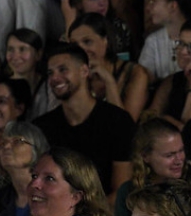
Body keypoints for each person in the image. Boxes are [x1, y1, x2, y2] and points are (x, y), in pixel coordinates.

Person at [33, 44, 135, 201]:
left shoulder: (117, 121)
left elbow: (121, 192)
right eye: (50, 73)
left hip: (104, 212)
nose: (54, 78)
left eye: (63, 70)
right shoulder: (42, 126)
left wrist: (88, 215)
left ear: (84, 71)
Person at [114, 118, 191, 216]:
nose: (179, 160)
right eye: (169, 155)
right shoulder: (128, 192)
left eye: (181, 151)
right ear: (145, 156)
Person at [69, 12, 150, 121]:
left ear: (105, 41)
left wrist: (109, 81)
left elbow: (125, 126)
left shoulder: (135, 73)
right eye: (74, 45)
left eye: (87, 42)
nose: (81, 50)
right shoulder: (75, 75)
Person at [140, 0, 191, 84]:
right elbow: (142, 79)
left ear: (172, 6)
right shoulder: (153, 41)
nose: (148, 8)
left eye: (153, 1)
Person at [61, 0, 132, 59]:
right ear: (79, 4)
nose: (102, 2)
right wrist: (70, 22)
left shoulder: (118, 27)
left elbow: (121, 63)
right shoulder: (66, 34)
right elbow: (70, 62)